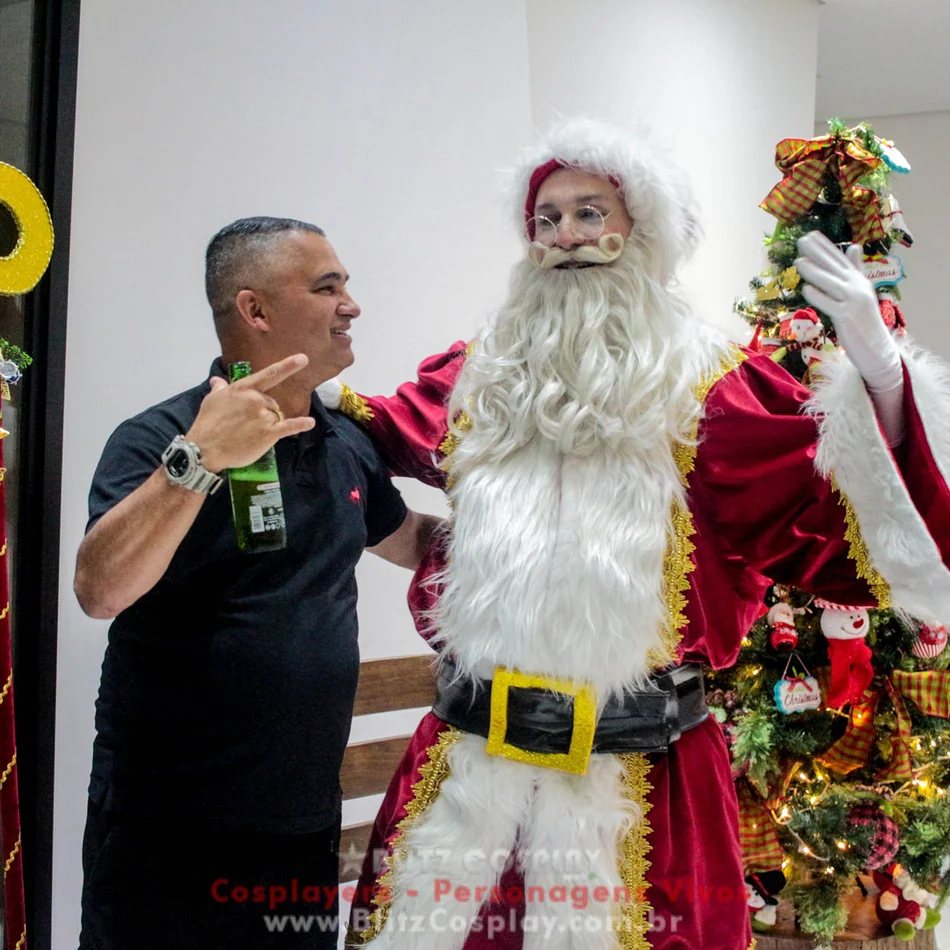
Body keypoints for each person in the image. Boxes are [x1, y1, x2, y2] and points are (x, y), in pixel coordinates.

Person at [317, 120, 950, 950]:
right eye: (546, 219)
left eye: (589, 213)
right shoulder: (488, 370)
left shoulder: (715, 386)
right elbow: (380, 429)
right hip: (467, 770)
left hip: (644, 782)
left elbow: (842, 527)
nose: (566, 237)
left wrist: (880, 379)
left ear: (639, 229)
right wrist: (301, 394)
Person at [74, 217, 440, 950]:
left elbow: (412, 542)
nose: (351, 305)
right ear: (256, 311)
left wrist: (543, 539)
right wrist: (200, 460)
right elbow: (99, 588)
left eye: (346, 285)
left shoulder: (345, 442)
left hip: (301, 829)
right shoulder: (160, 438)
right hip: (169, 832)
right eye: (327, 286)